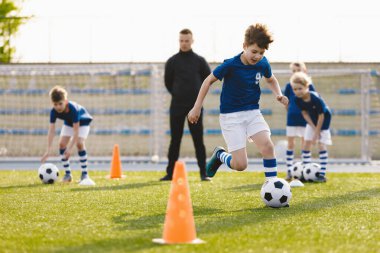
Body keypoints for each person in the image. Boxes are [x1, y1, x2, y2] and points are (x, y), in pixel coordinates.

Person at [188, 23, 288, 182]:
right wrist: (196, 107)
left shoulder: (263, 63)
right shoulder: (231, 65)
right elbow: (208, 81)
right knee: (240, 165)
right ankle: (220, 155)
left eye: (261, 53)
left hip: (253, 113)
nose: (257, 56)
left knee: (268, 147)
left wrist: (279, 94)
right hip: (231, 116)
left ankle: (272, 184)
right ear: (245, 46)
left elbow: (271, 79)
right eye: (254, 51)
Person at [160, 28, 211, 181]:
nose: (184, 43)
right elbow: (168, 83)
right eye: (181, 40)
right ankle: (170, 173)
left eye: (186, 41)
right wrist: (178, 95)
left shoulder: (200, 61)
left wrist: (197, 102)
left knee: (198, 140)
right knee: (175, 140)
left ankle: (204, 172)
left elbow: (207, 81)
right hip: (176, 106)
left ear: (192, 41)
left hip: (195, 107)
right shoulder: (172, 61)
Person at [41, 86, 93, 183]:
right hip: (69, 122)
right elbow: (51, 130)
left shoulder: (73, 109)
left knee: (79, 143)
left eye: (60, 104)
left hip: (83, 121)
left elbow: (76, 131)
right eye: (55, 104)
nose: (58, 107)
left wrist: (69, 149)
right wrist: (48, 150)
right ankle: (68, 174)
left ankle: (84, 174)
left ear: (65, 101)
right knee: (61, 144)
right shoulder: (53, 112)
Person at [290, 72, 332, 182]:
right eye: (295, 89)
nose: (297, 91)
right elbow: (304, 113)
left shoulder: (315, 98)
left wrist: (317, 133)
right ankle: (305, 172)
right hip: (312, 121)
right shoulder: (297, 99)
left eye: (300, 88)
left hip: (324, 121)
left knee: (321, 144)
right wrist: (313, 128)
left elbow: (321, 116)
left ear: (306, 86)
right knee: (306, 144)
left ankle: (322, 174)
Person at [283, 62, 316, 181]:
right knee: (290, 144)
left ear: (305, 71)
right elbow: (286, 102)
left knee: (305, 145)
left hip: (305, 120)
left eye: (299, 70)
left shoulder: (309, 86)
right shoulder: (288, 86)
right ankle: (289, 171)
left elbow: (313, 101)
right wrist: (291, 110)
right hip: (292, 119)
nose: (296, 72)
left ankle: (305, 171)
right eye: (294, 71)